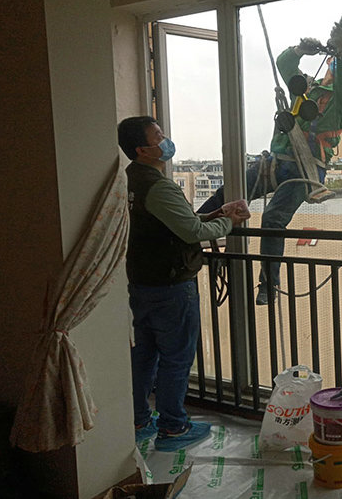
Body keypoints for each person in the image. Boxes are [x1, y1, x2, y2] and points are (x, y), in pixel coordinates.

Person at [198, 24, 342, 305]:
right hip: (276, 162)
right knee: (228, 193)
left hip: (306, 169)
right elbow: (285, 64)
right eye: (335, 60)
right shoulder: (306, 88)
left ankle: (268, 284)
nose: (336, 65)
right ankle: (191, 231)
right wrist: (300, 50)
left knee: (273, 218)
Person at [117, 116, 250, 451]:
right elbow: (192, 232)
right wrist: (229, 223)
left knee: (144, 355)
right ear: (142, 149)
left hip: (142, 283)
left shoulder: (129, 180)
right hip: (171, 285)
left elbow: (175, 222)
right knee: (176, 357)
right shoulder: (158, 186)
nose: (165, 140)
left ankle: (138, 420)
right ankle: (173, 428)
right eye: (158, 136)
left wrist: (217, 213)